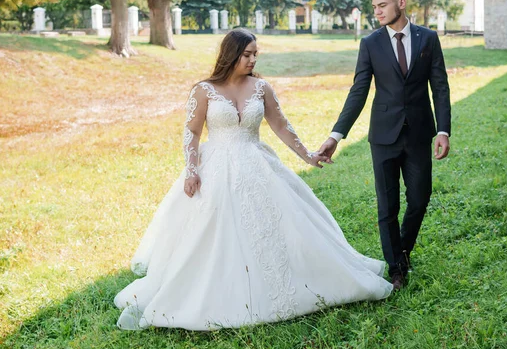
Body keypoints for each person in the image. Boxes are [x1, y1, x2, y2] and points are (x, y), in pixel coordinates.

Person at [114, 28, 393, 331]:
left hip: (256, 163)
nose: (252, 59)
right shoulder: (204, 90)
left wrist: (308, 156)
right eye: (247, 54)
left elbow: (282, 126)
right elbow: (192, 132)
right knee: (211, 229)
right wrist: (192, 169)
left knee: (280, 224)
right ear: (231, 54)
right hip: (216, 168)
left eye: (255, 53)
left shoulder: (261, 88)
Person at [319, 0, 452, 291]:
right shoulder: (371, 44)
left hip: (419, 134)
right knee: (387, 206)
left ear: (401, 4)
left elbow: (440, 87)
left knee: (419, 199)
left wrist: (443, 130)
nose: (376, 11)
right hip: (383, 137)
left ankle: (402, 250)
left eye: (382, 5)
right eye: (374, 6)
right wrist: (336, 135)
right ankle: (396, 268)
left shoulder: (428, 39)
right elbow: (359, 91)